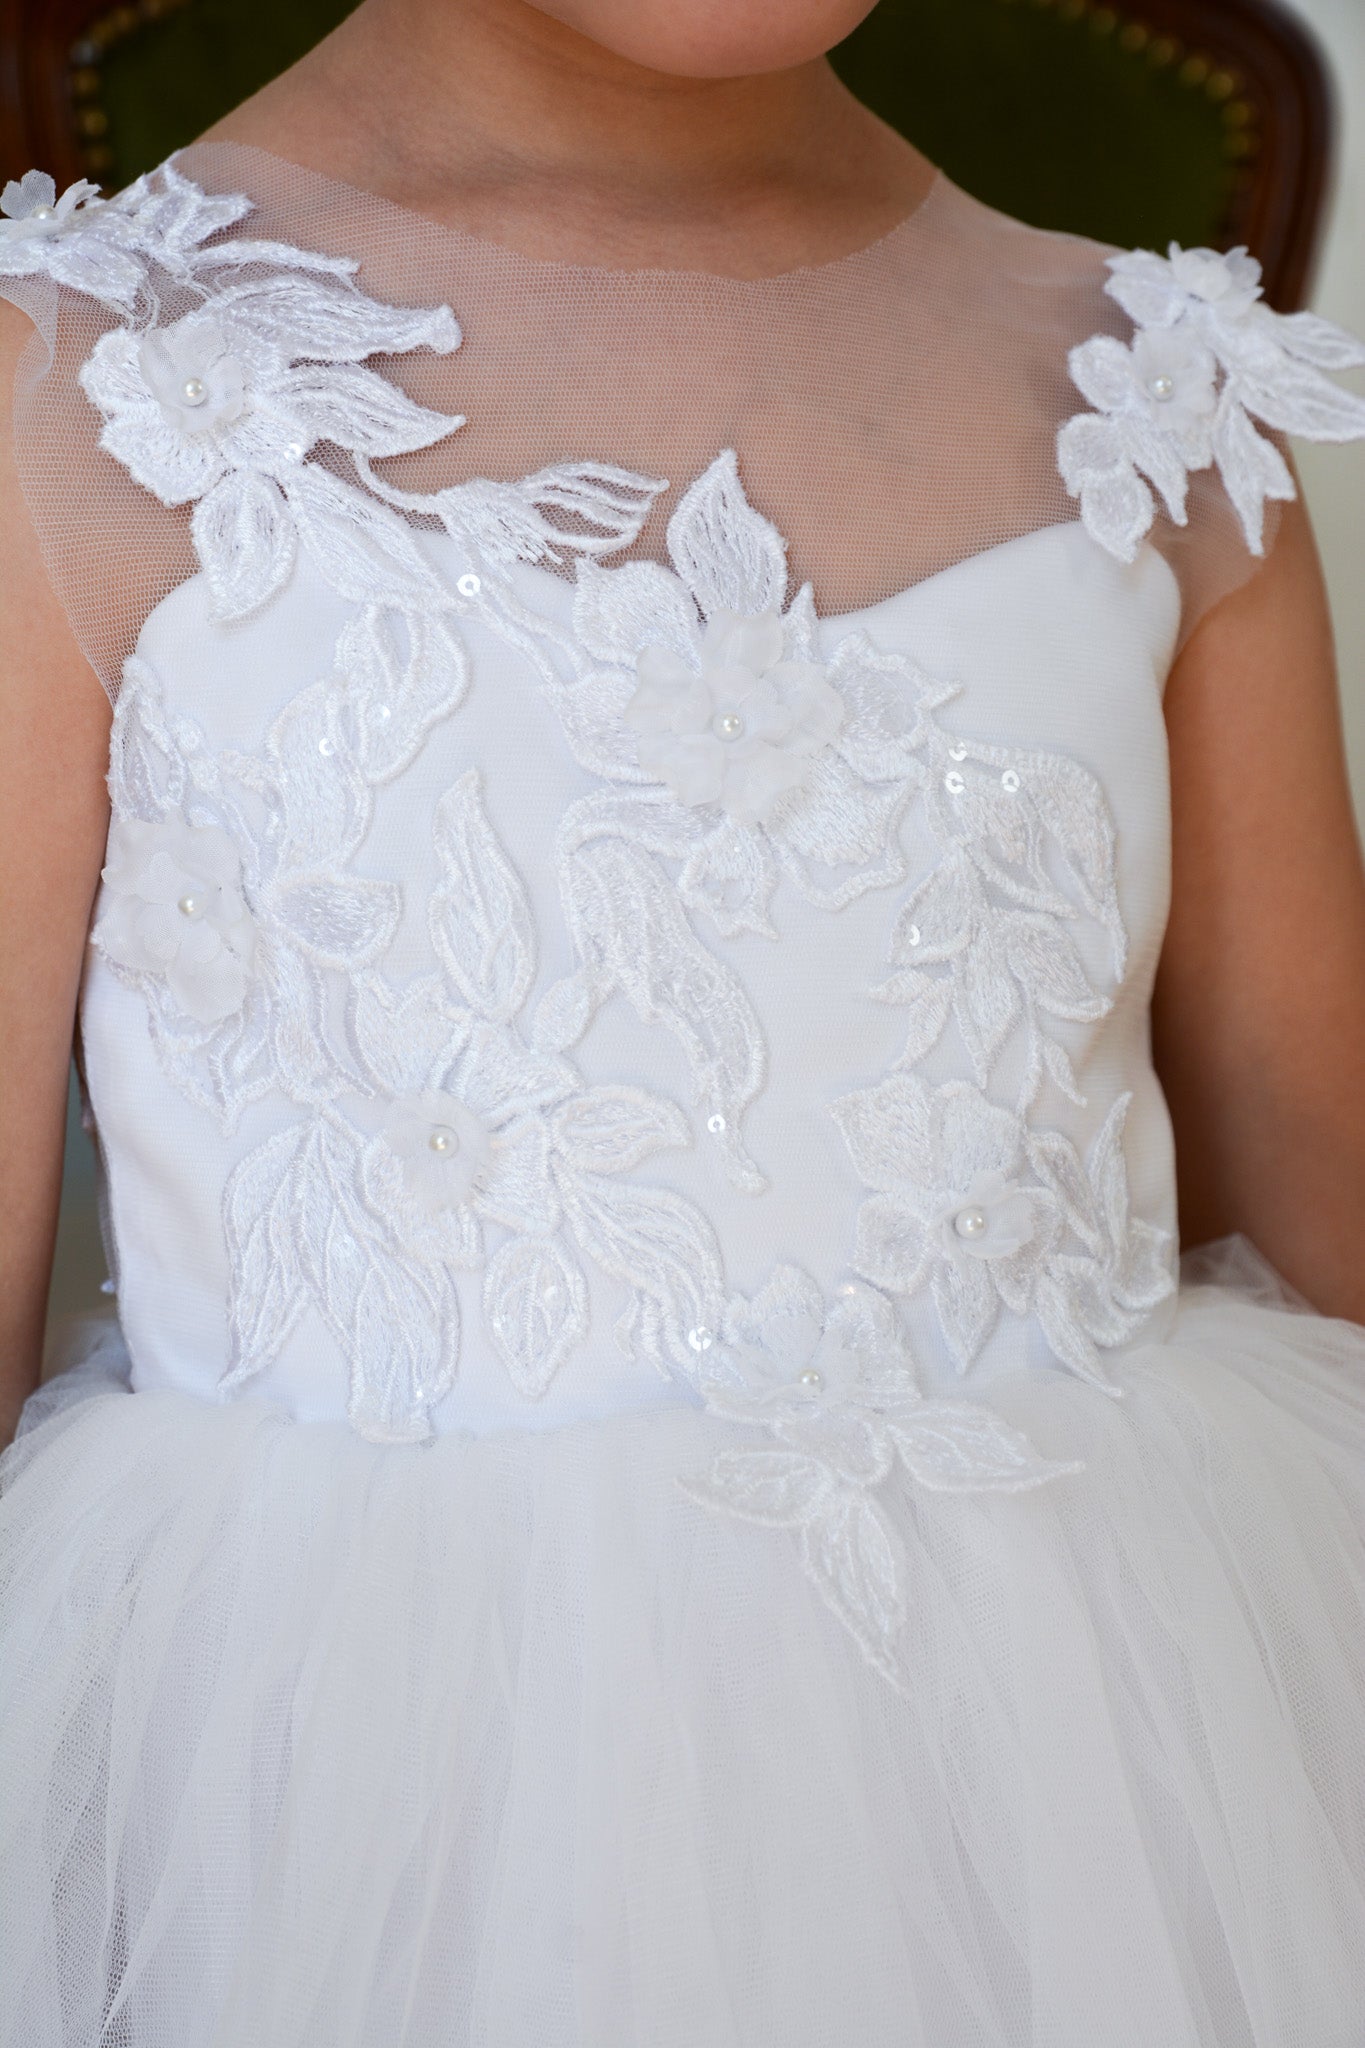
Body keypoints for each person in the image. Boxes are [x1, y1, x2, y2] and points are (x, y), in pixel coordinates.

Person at [2, 1, 1365, 2041]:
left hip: (1088, 1817)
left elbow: (1318, 1201)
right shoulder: (81, 389)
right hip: (361, 1847)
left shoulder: (1154, 394)